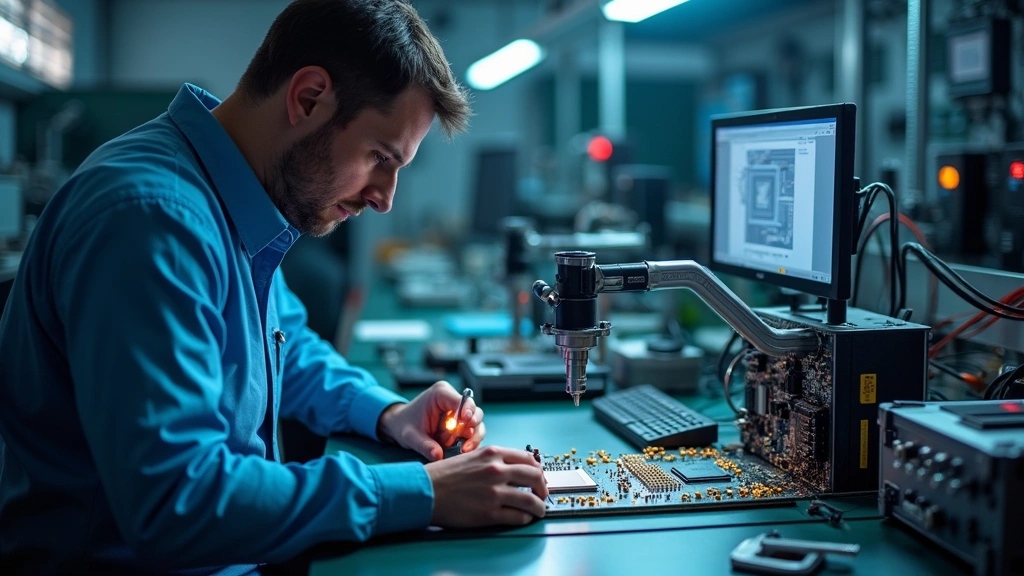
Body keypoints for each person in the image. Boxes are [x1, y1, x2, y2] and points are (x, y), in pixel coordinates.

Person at [0, 1, 548, 574]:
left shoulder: (232, 195)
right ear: (309, 98)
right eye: (380, 158)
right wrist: (421, 493)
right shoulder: (152, 220)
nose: (384, 198)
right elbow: (179, 504)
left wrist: (387, 413)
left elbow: (287, 347)